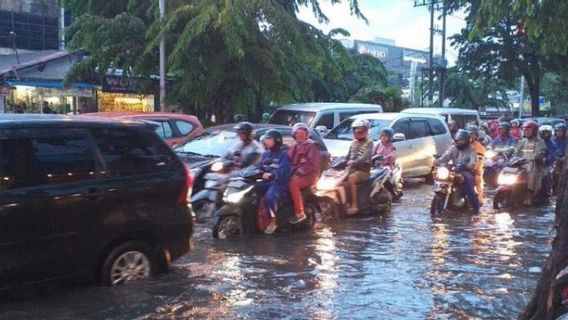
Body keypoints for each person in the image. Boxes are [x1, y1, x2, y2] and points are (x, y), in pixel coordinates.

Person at [434, 129, 481, 213]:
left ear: (466, 141)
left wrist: (469, 165)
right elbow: (446, 156)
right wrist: (438, 161)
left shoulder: (471, 150)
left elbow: (473, 162)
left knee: (470, 191)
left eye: (461, 141)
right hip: (454, 170)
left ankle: (476, 209)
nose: (459, 142)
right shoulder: (453, 148)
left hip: (466, 172)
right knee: (441, 180)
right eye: (458, 140)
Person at [257, 130, 292, 234]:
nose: (266, 142)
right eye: (266, 139)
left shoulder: (283, 155)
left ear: (276, 141)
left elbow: (284, 172)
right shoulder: (266, 154)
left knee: (269, 197)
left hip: (279, 183)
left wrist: (272, 175)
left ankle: (273, 220)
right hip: (265, 181)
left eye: (269, 139)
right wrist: (257, 172)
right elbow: (258, 167)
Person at [287, 123, 321, 224]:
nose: (300, 136)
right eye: (298, 134)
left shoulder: (311, 146)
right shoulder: (296, 146)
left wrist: (298, 173)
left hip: (309, 175)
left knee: (293, 185)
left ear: (306, 135)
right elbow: (287, 158)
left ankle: (300, 213)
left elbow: (311, 165)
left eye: (302, 134)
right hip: (297, 173)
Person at [345, 119, 374, 215]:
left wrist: (354, 162)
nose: (358, 132)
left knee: (351, 178)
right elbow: (347, 157)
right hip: (351, 169)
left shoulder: (369, 143)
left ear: (366, 131)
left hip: (363, 171)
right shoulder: (353, 142)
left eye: (361, 130)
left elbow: (365, 157)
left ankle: (354, 205)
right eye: (356, 130)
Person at [516, 120, 547, 205]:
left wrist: (534, 157)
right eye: (525, 130)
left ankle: (529, 197)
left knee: (531, 173)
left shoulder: (540, 142)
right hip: (522, 165)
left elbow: (540, 153)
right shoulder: (523, 141)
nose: (526, 132)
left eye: (528, 130)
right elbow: (516, 153)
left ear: (534, 131)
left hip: (535, 167)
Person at [467, 125, 486, 205]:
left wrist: (474, 167)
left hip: (473, 169)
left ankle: (479, 199)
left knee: (477, 179)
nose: (471, 136)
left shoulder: (479, 147)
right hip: (460, 167)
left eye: (473, 134)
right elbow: (451, 153)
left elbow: (479, 160)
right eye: (469, 134)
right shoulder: (458, 143)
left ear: (476, 136)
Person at [539, 125, 555, 200]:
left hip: (546, 164)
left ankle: (546, 193)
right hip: (534, 163)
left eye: (547, 133)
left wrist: (546, 160)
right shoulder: (537, 142)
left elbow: (551, 156)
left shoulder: (552, 143)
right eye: (544, 133)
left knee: (547, 174)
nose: (546, 135)